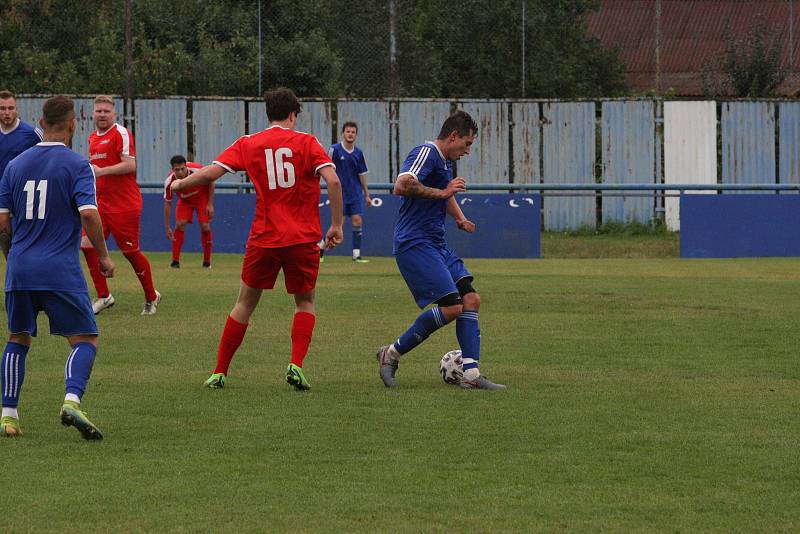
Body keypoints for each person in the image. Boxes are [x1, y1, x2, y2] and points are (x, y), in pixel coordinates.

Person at [171, 87, 343, 391]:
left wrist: (179, 183)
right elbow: (333, 179)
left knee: (245, 303)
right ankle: (296, 364)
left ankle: (219, 371)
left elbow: (210, 173)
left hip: (264, 237)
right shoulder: (308, 143)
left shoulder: (249, 143)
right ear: (293, 115)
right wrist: (336, 225)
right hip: (303, 239)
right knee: (304, 302)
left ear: (268, 114)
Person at [0, 95, 115, 440]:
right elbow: (89, 214)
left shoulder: (14, 166)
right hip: (59, 270)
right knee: (85, 339)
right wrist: (104, 256)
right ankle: (71, 400)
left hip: (19, 267)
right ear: (72, 125)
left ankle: (8, 416)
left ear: (40, 122)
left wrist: (13, 258)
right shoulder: (77, 165)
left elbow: (3, 222)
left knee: (17, 338)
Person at [376, 110, 506, 390]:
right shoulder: (427, 152)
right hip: (415, 243)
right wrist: (445, 193)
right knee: (452, 307)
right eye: (467, 144)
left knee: (470, 299)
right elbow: (402, 185)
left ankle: (471, 375)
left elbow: (441, 192)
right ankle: (391, 353)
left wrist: (458, 217)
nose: (468, 151)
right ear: (453, 136)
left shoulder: (444, 163)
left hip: (436, 242)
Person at [82, 95, 160, 315]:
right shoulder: (92, 138)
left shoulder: (121, 133)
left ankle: (151, 296)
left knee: (130, 252)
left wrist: (100, 171)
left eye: (106, 111)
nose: (102, 115)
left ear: (114, 114)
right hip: (100, 204)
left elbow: (130, 165)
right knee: (87, 245)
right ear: (93, 114)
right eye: (99, 111)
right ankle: (104, 296)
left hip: (124, 204)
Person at [320, 121, 371, 263]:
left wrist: (366, 194)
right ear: (343, 133)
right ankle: (321, 249)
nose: (350, 134)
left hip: (355, 193)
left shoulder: (358, 153)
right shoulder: (334, 150)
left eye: (353, 132)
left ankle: (356, 255)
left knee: (357, 221)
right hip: (339, 194)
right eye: (348, 131)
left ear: (356, 135)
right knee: (337, 225)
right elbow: (326, 167)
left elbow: (362, 174)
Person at [163, 155, 215, 268]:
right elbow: (168, 203)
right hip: (185, 200)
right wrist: (167, 226)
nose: (180, 172)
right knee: (179, 224)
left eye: (182, 168)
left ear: (186, 166)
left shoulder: (197, 170)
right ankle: (175, 262)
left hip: (201, 198)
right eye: (177, 170)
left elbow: (211, 180)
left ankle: (207, 262)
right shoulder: (169, 181)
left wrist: (210, 204)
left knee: (205, 226)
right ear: (172, 170)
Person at [0, 90, 43, 178]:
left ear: (17, 110)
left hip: (20, 190)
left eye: (11, 108)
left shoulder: (33, 133)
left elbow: (47, 158)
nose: (7, 113)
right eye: (2, 108)